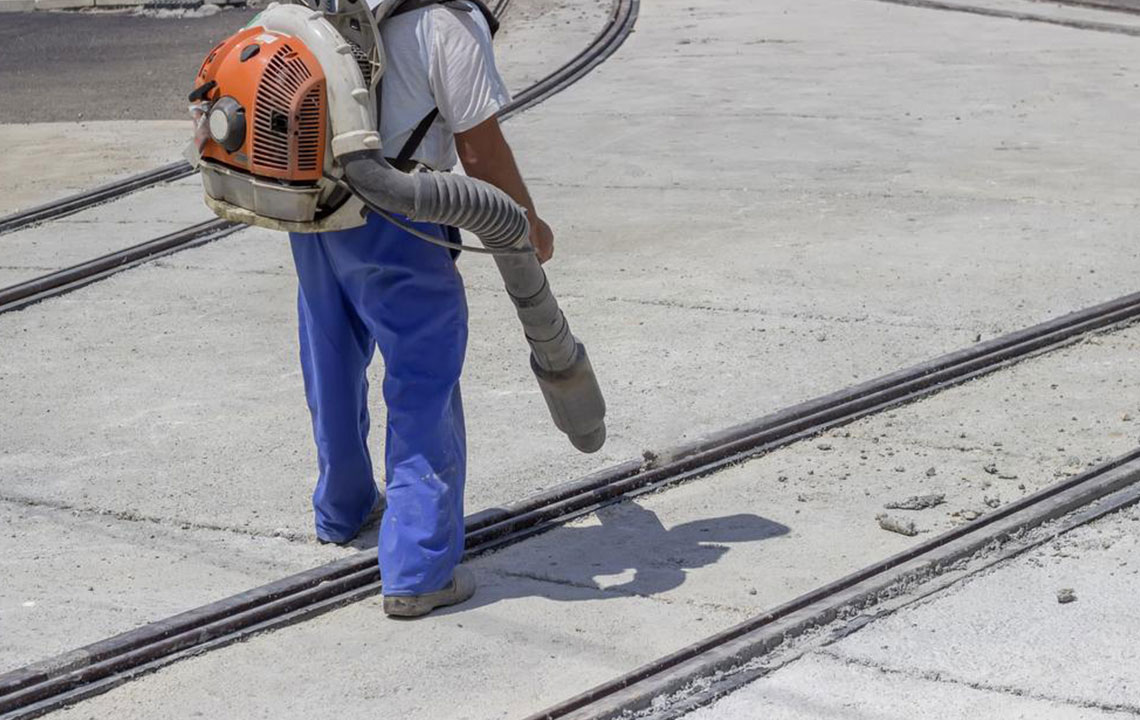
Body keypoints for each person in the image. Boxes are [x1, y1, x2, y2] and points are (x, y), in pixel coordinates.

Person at [287, 0, 553, 618]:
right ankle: (419, 569)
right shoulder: (447, 22)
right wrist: (527, 223)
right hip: (399, 215)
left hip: (315, 207)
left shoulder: (335, 6)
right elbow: (480, 151)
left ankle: (343, 507)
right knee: (423, 379)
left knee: (330, 356)